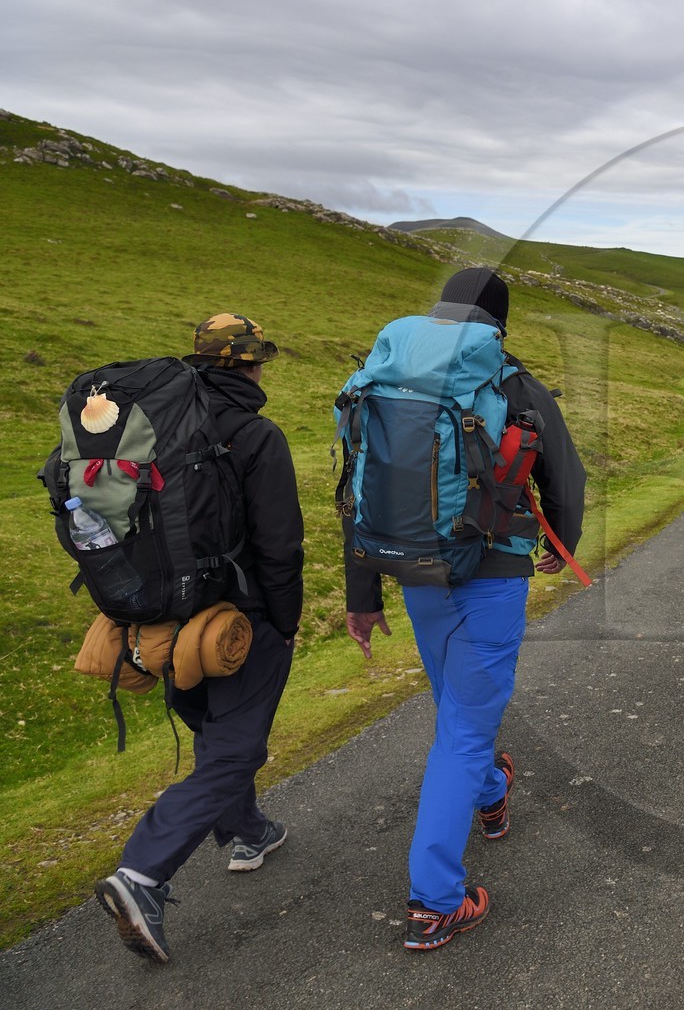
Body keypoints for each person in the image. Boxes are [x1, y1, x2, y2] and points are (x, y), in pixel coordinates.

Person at [344, 268, 586, 951]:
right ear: (498, 322)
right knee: (466, 730)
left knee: (458, 708)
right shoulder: (513, 383)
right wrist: (559, 543)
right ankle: (436, 901)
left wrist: (361, 595)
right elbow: (565, 476)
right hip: (492, 572)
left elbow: (357, 488)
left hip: (413, 572)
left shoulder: (386, 378)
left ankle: (491, 790)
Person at [95, 314, 305, 963]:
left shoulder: (151, 427)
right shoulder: (256, 435)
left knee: (215, 732)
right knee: (234, 751)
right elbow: (280, 546)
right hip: (236, 626)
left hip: (157, 622)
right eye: (258, 359)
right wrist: (284, 623)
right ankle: (143, 875)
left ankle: (248, 832)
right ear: (246, 364)